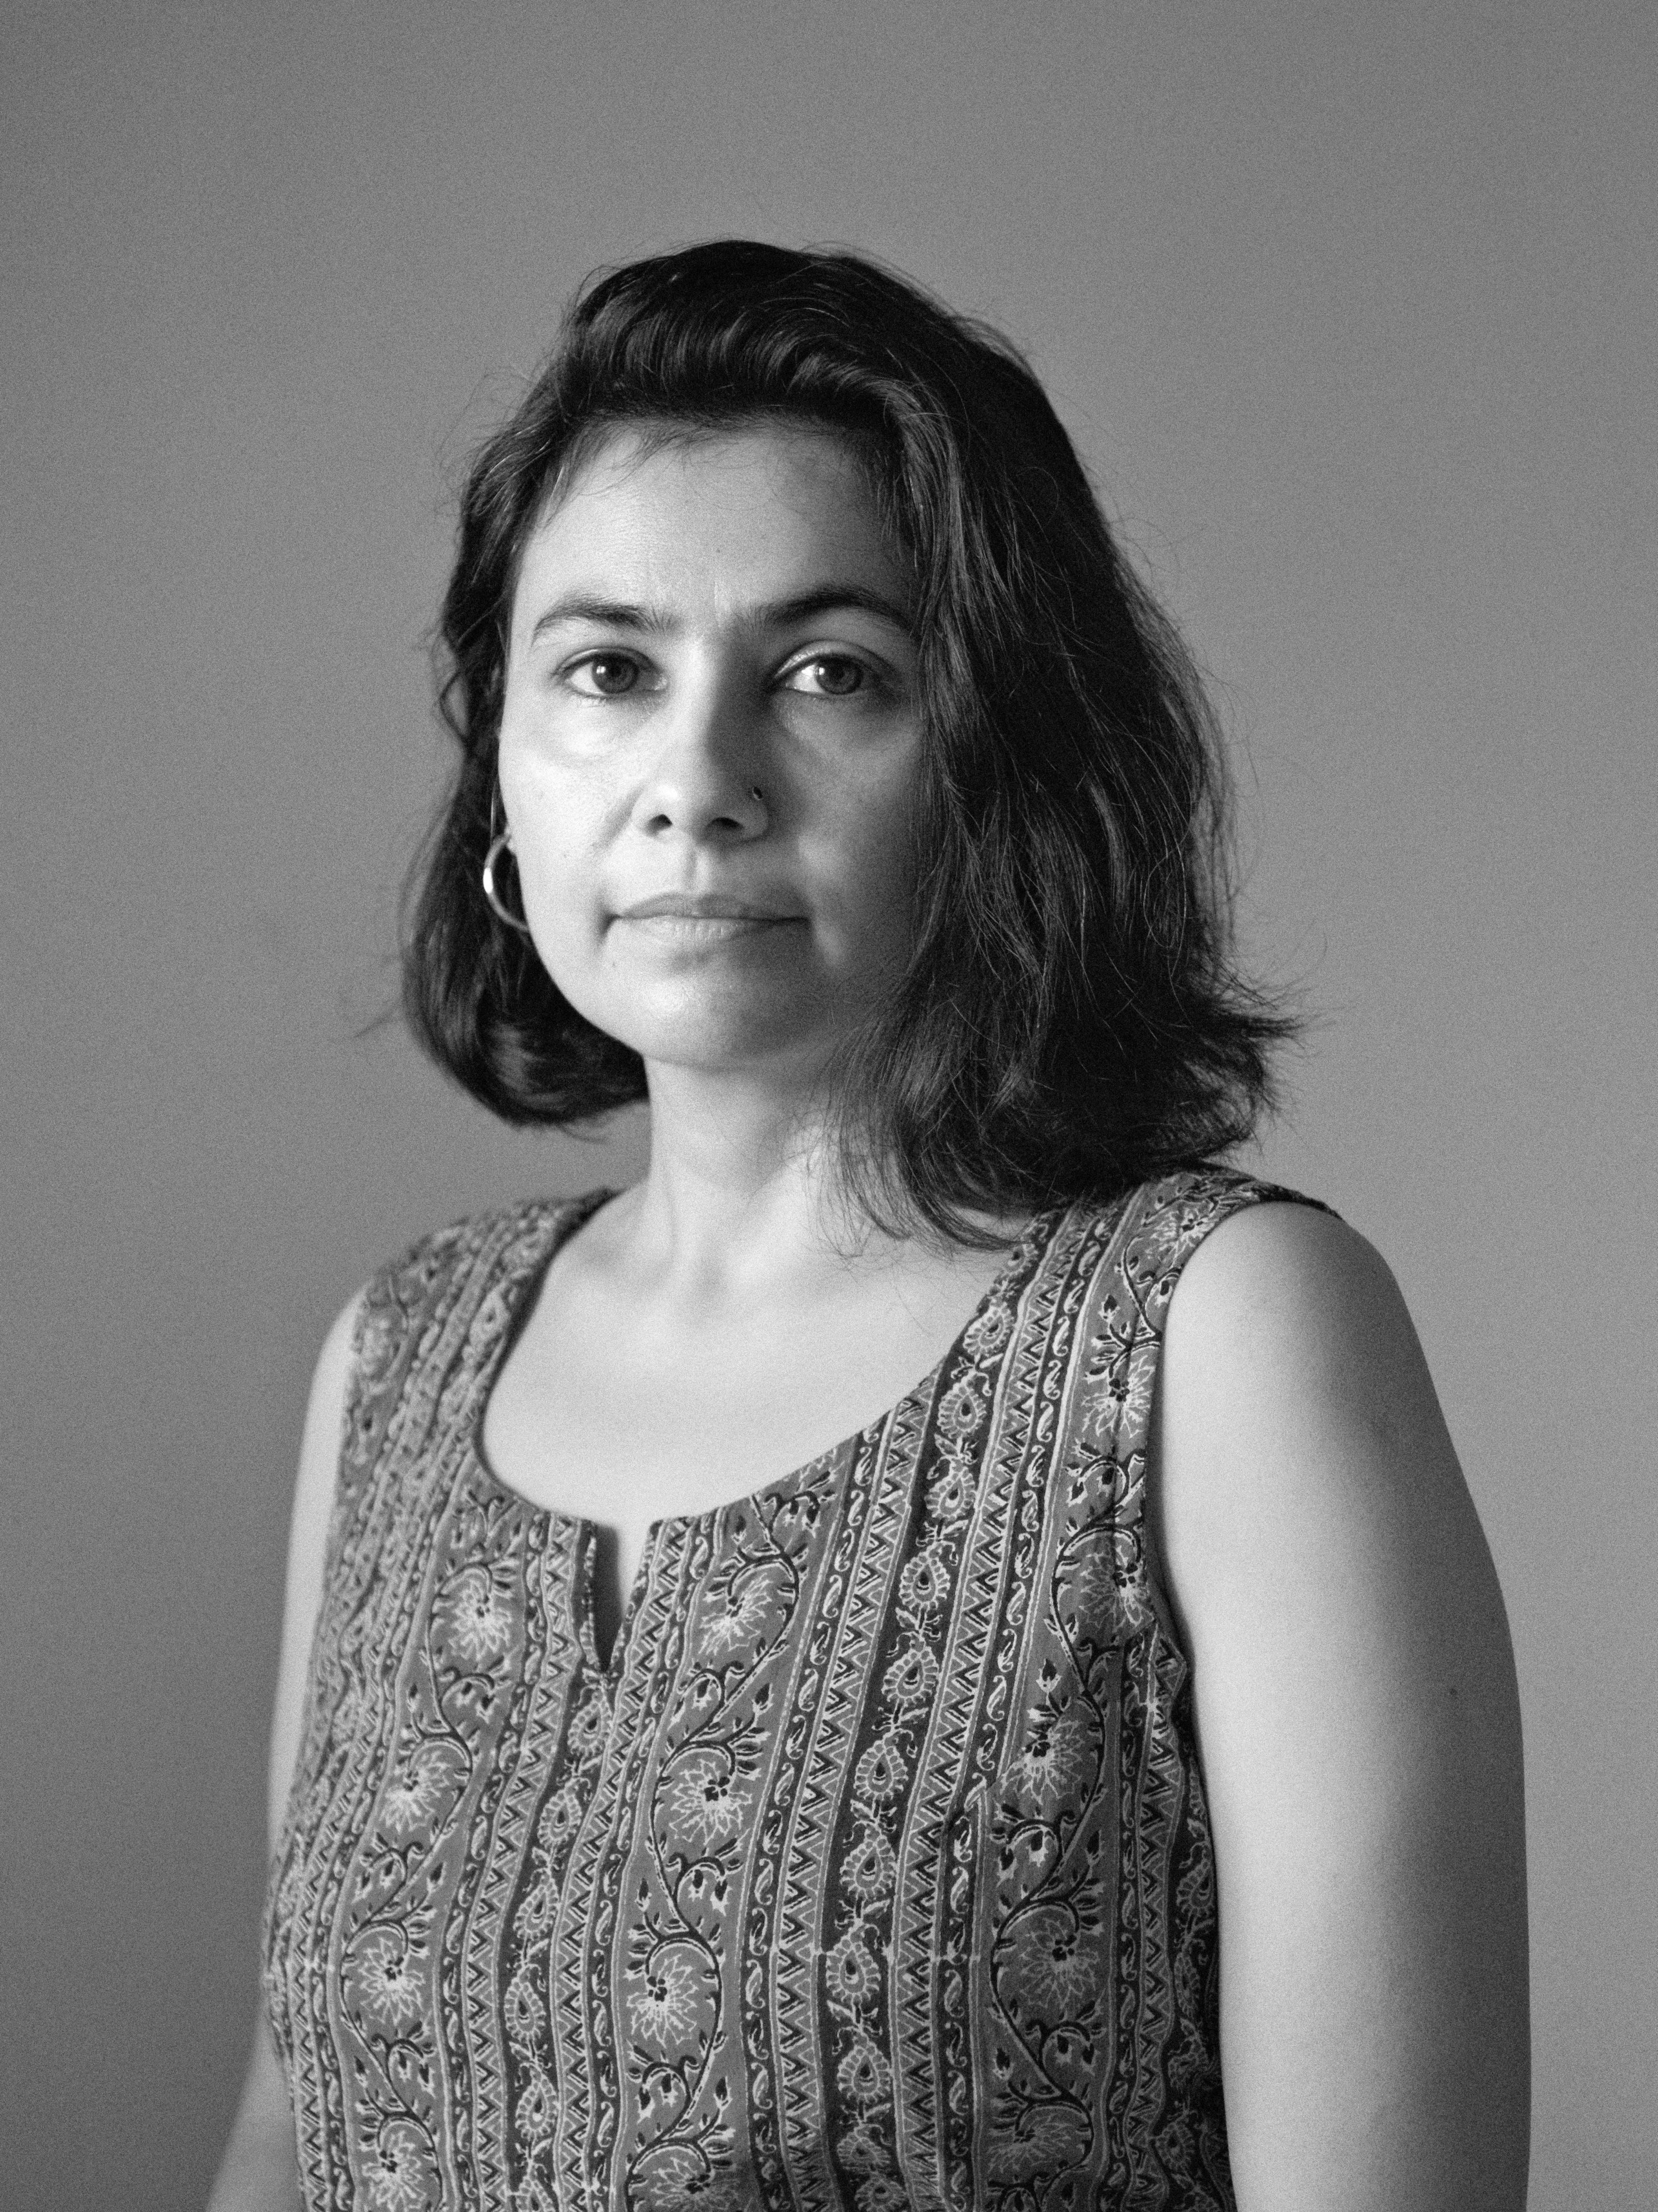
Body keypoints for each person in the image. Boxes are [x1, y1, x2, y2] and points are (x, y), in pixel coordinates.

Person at [209, 241, 1528, 2212]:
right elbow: (288, 2132)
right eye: (608, 670)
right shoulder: (399, 1357)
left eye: (830, 672)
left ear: (997, 756)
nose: (697, 783)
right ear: (503, 773)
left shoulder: (1218, 1333)